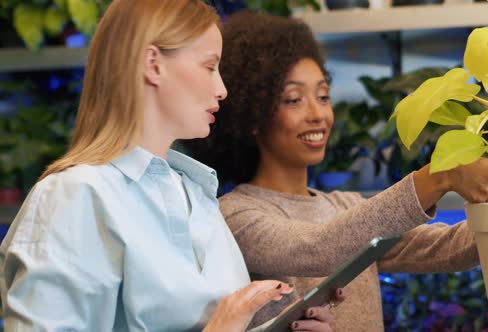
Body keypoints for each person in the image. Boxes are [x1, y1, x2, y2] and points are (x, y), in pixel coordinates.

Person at [186, 11, 488, 331]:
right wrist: (441, 176)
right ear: (251, 116)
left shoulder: (346, 204)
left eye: (323, 96)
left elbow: (445, 249)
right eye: (294, 99)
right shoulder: (236, 214)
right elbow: (317, 248)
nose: (317, 114)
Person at [0, 1, 339, 331]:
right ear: (153, 64)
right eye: (209, 67)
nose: (222, 89)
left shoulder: (195, 192)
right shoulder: (74, 196)